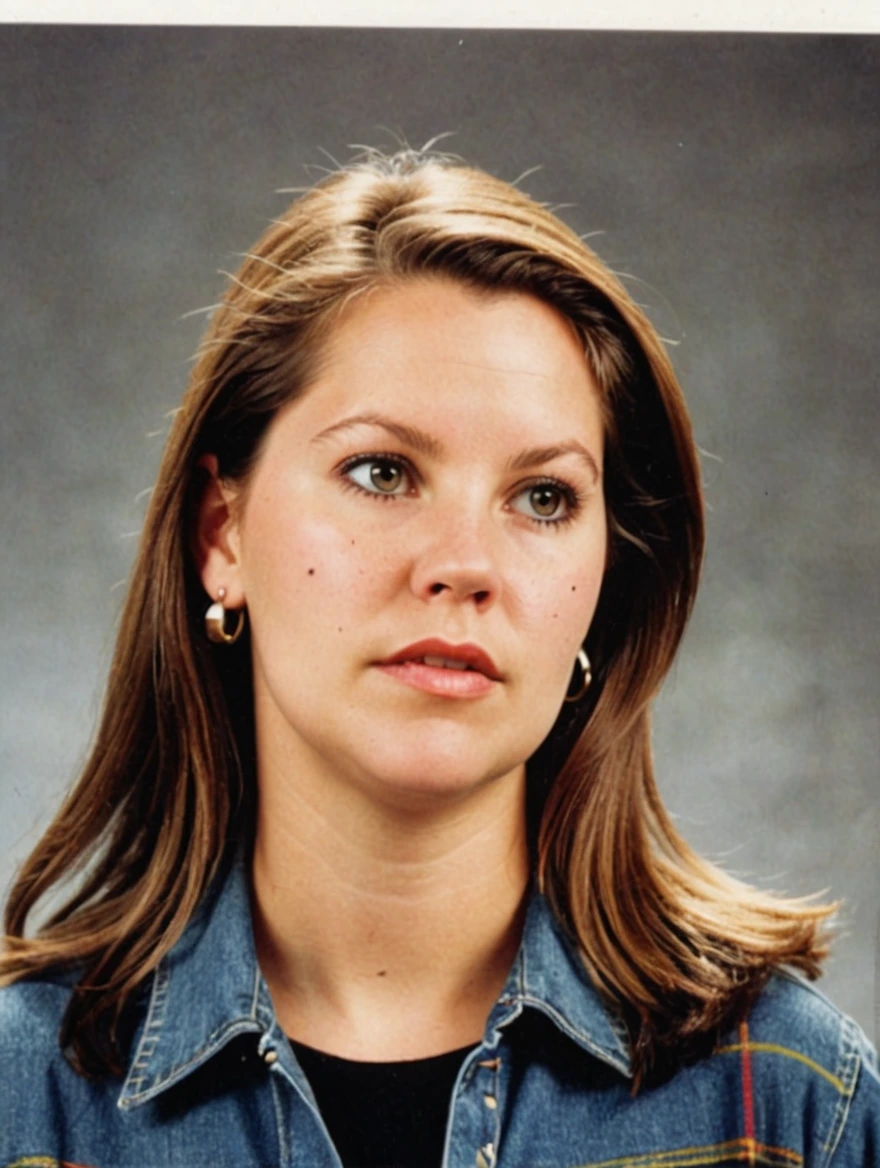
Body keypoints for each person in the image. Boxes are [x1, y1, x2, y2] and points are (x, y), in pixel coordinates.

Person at [1, 147, 877, 1168]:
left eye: (542, 496)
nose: (465, 565)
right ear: (220, 535)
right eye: (382, 471)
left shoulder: (786, 1104)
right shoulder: (24, 1100)